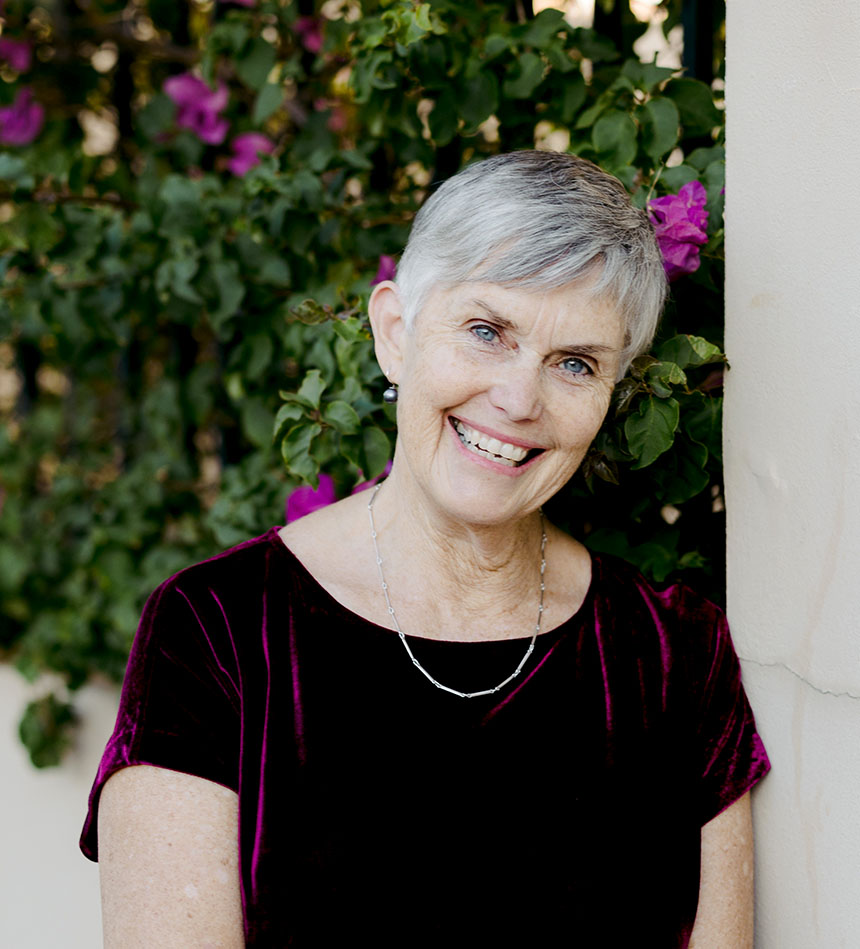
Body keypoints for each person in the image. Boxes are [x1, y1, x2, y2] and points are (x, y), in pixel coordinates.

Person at [81, 151, 770, 948]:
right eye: (486, 331)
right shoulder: (216, 631)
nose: (518, 398)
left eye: (575, 363)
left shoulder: (676, 654)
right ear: (395, 333)